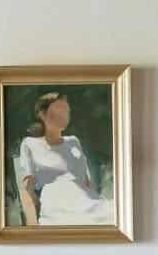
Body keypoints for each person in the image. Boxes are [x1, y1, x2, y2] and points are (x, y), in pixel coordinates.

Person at [14, 93, 112, 227]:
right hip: (57, 205)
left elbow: (86, 181)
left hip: (88, 202)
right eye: (59, 110)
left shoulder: (73, 142)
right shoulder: (30, 144)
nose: (65, 115)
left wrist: (95, 199)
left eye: (67, 111)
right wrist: (32, 223)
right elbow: (27, 190)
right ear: (42, 114)